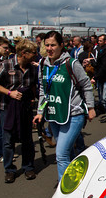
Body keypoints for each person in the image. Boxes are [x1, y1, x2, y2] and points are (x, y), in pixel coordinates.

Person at [33, 31, 96, 181]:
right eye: (47, 45)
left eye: (53, 45)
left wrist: (91, 107)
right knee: (68, 153)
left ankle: (64, 190)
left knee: (61, 154)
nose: (49, 49)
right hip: (54, 114)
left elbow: (86, 84)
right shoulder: (42, 64)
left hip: (73, 115)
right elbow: (43, 90)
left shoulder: (71, 63)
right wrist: (40, 111)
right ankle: (77, 181)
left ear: (61, 45)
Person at [0, 39, 38, 183]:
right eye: (33, 52)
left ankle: (28, 167)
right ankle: (9, 170)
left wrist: (33, 99)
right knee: (8, 140)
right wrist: (10, 93)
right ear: (23, 53)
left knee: (27, 139)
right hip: (7, 107)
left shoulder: (32, 68)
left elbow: (33, 85)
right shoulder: (5, 65)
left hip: (25, 108)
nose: (35, 55)